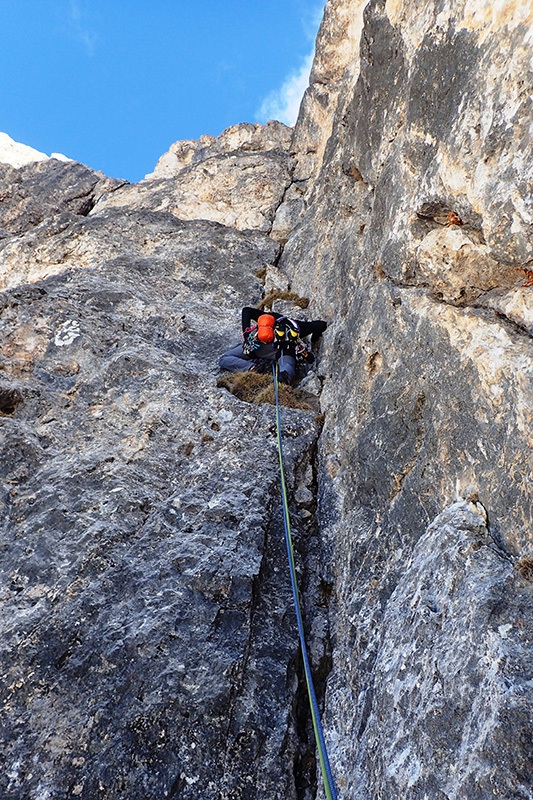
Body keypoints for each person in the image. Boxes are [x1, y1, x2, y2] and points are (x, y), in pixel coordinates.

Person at [218, 306, 327, 383]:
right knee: (285, 371)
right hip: (275, 351)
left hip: (258, 348)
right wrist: (313, 341)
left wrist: (247, 337)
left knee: (224, 359)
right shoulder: (292, 327)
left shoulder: (269, 320)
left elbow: (247, 311)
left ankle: (253, 368)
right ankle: (282, 375)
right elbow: (321, 325)